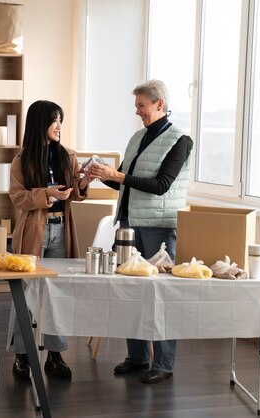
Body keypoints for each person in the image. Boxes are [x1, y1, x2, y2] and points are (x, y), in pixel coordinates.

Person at [88, 79, 193, 384]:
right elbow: (124, 181)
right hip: (129, 225)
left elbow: (161, 186)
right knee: (130, 294)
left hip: (159, 229)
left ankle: (164, 363)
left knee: (161, 297)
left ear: (159, 104)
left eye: (141, 105)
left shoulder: (180, 140)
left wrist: (117, 174)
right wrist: (99, 175)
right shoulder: (137, 138)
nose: (137, 112)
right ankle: (137, 357)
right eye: (136, 106)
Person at [7, 100, 91, 380]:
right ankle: (22, 356)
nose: (59, 126)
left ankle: (55, 356)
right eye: (54, 120)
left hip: (61, 229)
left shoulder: (68, 156)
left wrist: (81, 184)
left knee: (57, 294)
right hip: (34, 230)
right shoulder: (22, 160)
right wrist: (48, 193)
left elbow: (76, 195)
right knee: (26, 294)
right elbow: (18, 198)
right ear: (39, 123)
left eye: (61, 120)